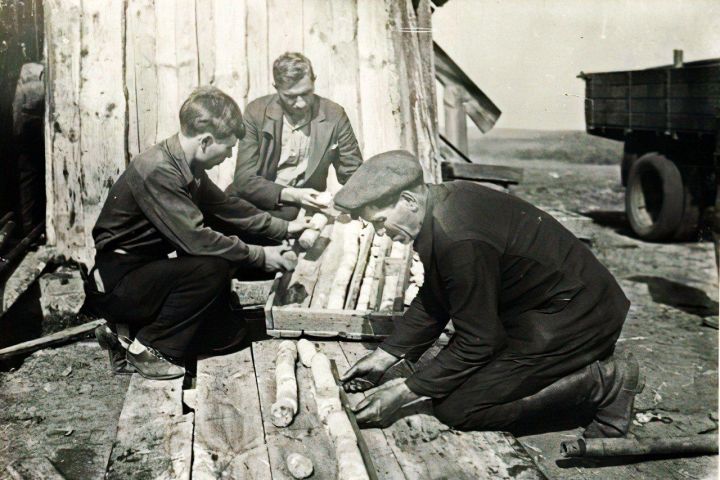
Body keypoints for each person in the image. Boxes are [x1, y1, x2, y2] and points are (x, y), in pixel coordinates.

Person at [335, 150, 643, 438]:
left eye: (379, 221)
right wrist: (384, 356)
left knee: (459, 409)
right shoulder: (439, 208)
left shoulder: (457, 238)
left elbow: (479, 341)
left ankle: (603, 381)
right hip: (546, 309)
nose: (380, 232)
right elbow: (436, 296)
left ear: (408, 200)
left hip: (576, 318)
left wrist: (404, 391)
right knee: (447, 383)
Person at [83, 86, 309, 380]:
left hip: (146, 275)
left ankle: (123, 333)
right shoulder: (158, 170)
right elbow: (197, 239)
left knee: (232, 337)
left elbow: (227, 208)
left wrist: (285, 228)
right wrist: (261, 256)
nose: (229, 156)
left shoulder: (187, 167)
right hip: (118, 282)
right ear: (205, 141)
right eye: (227, 147)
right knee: (211, 267)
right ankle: (149, 347)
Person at [225, 52, 363, 221]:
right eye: (290, 96)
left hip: (303, 209)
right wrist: (293, 195)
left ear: (314, 81)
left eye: (306, 93)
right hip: (254, 204)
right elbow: (244, 180)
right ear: (276, 88)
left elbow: (353, 174)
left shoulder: (334, 115)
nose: (301, 103)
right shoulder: (256, 112)